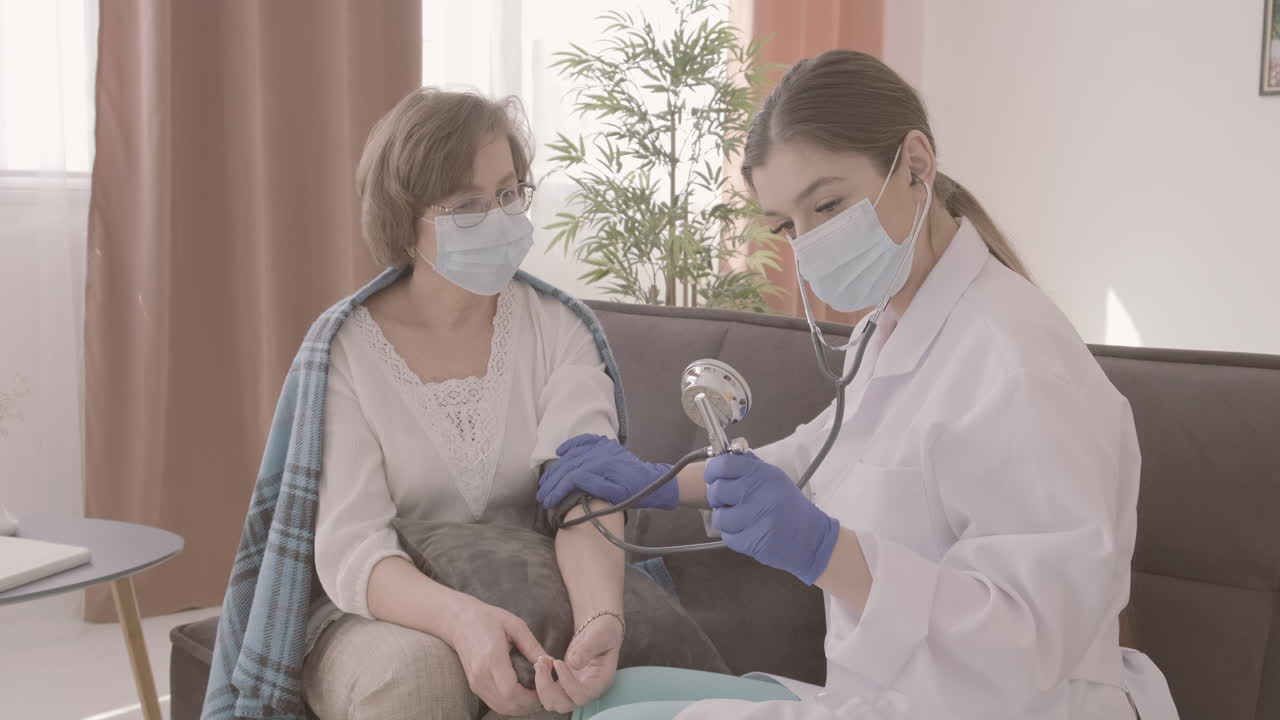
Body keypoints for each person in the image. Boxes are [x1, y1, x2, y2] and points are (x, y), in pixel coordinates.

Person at [536, 50, 1179, 720]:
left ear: (916, 166)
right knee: (605, 701)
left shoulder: (1021, 363)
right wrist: (662, 482)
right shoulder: (891, 327)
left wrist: (825, 551)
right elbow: (822, 452)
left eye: (829, 204)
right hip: (885, 695)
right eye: (788, 226)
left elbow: (1028, 640)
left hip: (1005, 705)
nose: (809, 245)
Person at [302, 88, 626, 720]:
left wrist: (598, 619)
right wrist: (463, 621)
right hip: (387, 605)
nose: (501, 219)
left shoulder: (561, 330)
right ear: (405, 222)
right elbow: (353, 549)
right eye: (466, 206)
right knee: (419, 676)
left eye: (509, 193)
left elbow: (586, 489)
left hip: (533, 592)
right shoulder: (347, 351)